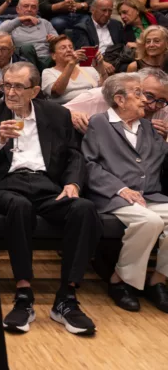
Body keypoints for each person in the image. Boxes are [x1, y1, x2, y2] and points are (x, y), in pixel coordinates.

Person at [0, 61, 101, 336]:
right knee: (20, 206)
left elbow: (75, 155)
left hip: (46, 185)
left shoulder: (57, 115)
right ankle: (24, 294)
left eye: (18, 86)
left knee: (84, 208)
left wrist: (73, 183)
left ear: (35, 90)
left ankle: (66, 297)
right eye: (6, 85)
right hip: (6, 185)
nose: (10, 92)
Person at [82, 73, 168, 313]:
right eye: (138, 94)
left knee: (154, 216)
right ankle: (120, 279)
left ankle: (158, 280)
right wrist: (120, 189)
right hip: (113, 196)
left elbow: (161, 158)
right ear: (119, 99)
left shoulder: (149, 128)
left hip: (150, 195)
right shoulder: (99, 123)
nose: (145, 101)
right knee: (150, 221)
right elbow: (90, 164)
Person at [0, 0, 58, 70]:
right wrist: (20, 19)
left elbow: (58, 41)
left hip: (46, 60)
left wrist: (53, 40)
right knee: (27, 48)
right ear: (18, 9)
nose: (29, 9)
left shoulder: (45, 23)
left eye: (33, 7)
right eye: (26, 6)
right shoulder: (11, 24)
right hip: (23, 61)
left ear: (37, 10)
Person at [42, 35, 106, 104]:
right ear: (53, 56)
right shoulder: (48, 72)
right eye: (63, 48)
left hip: (93, 105)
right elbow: (56, 93)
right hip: (66, 110)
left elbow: (104, 89)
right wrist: (71, 63)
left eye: (71, 47)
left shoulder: (86, 67)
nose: (69, 50)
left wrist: (101, 67)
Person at [69, 0, 128, 72]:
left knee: (134, 65)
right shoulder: (82, 28)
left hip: (116, 60)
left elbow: (122, 45)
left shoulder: (116, 24)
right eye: (103, 10)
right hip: (95, 62)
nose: (107, 14)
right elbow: (85, 53)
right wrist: (102, 63)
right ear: (93, 10)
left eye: (110, 11)